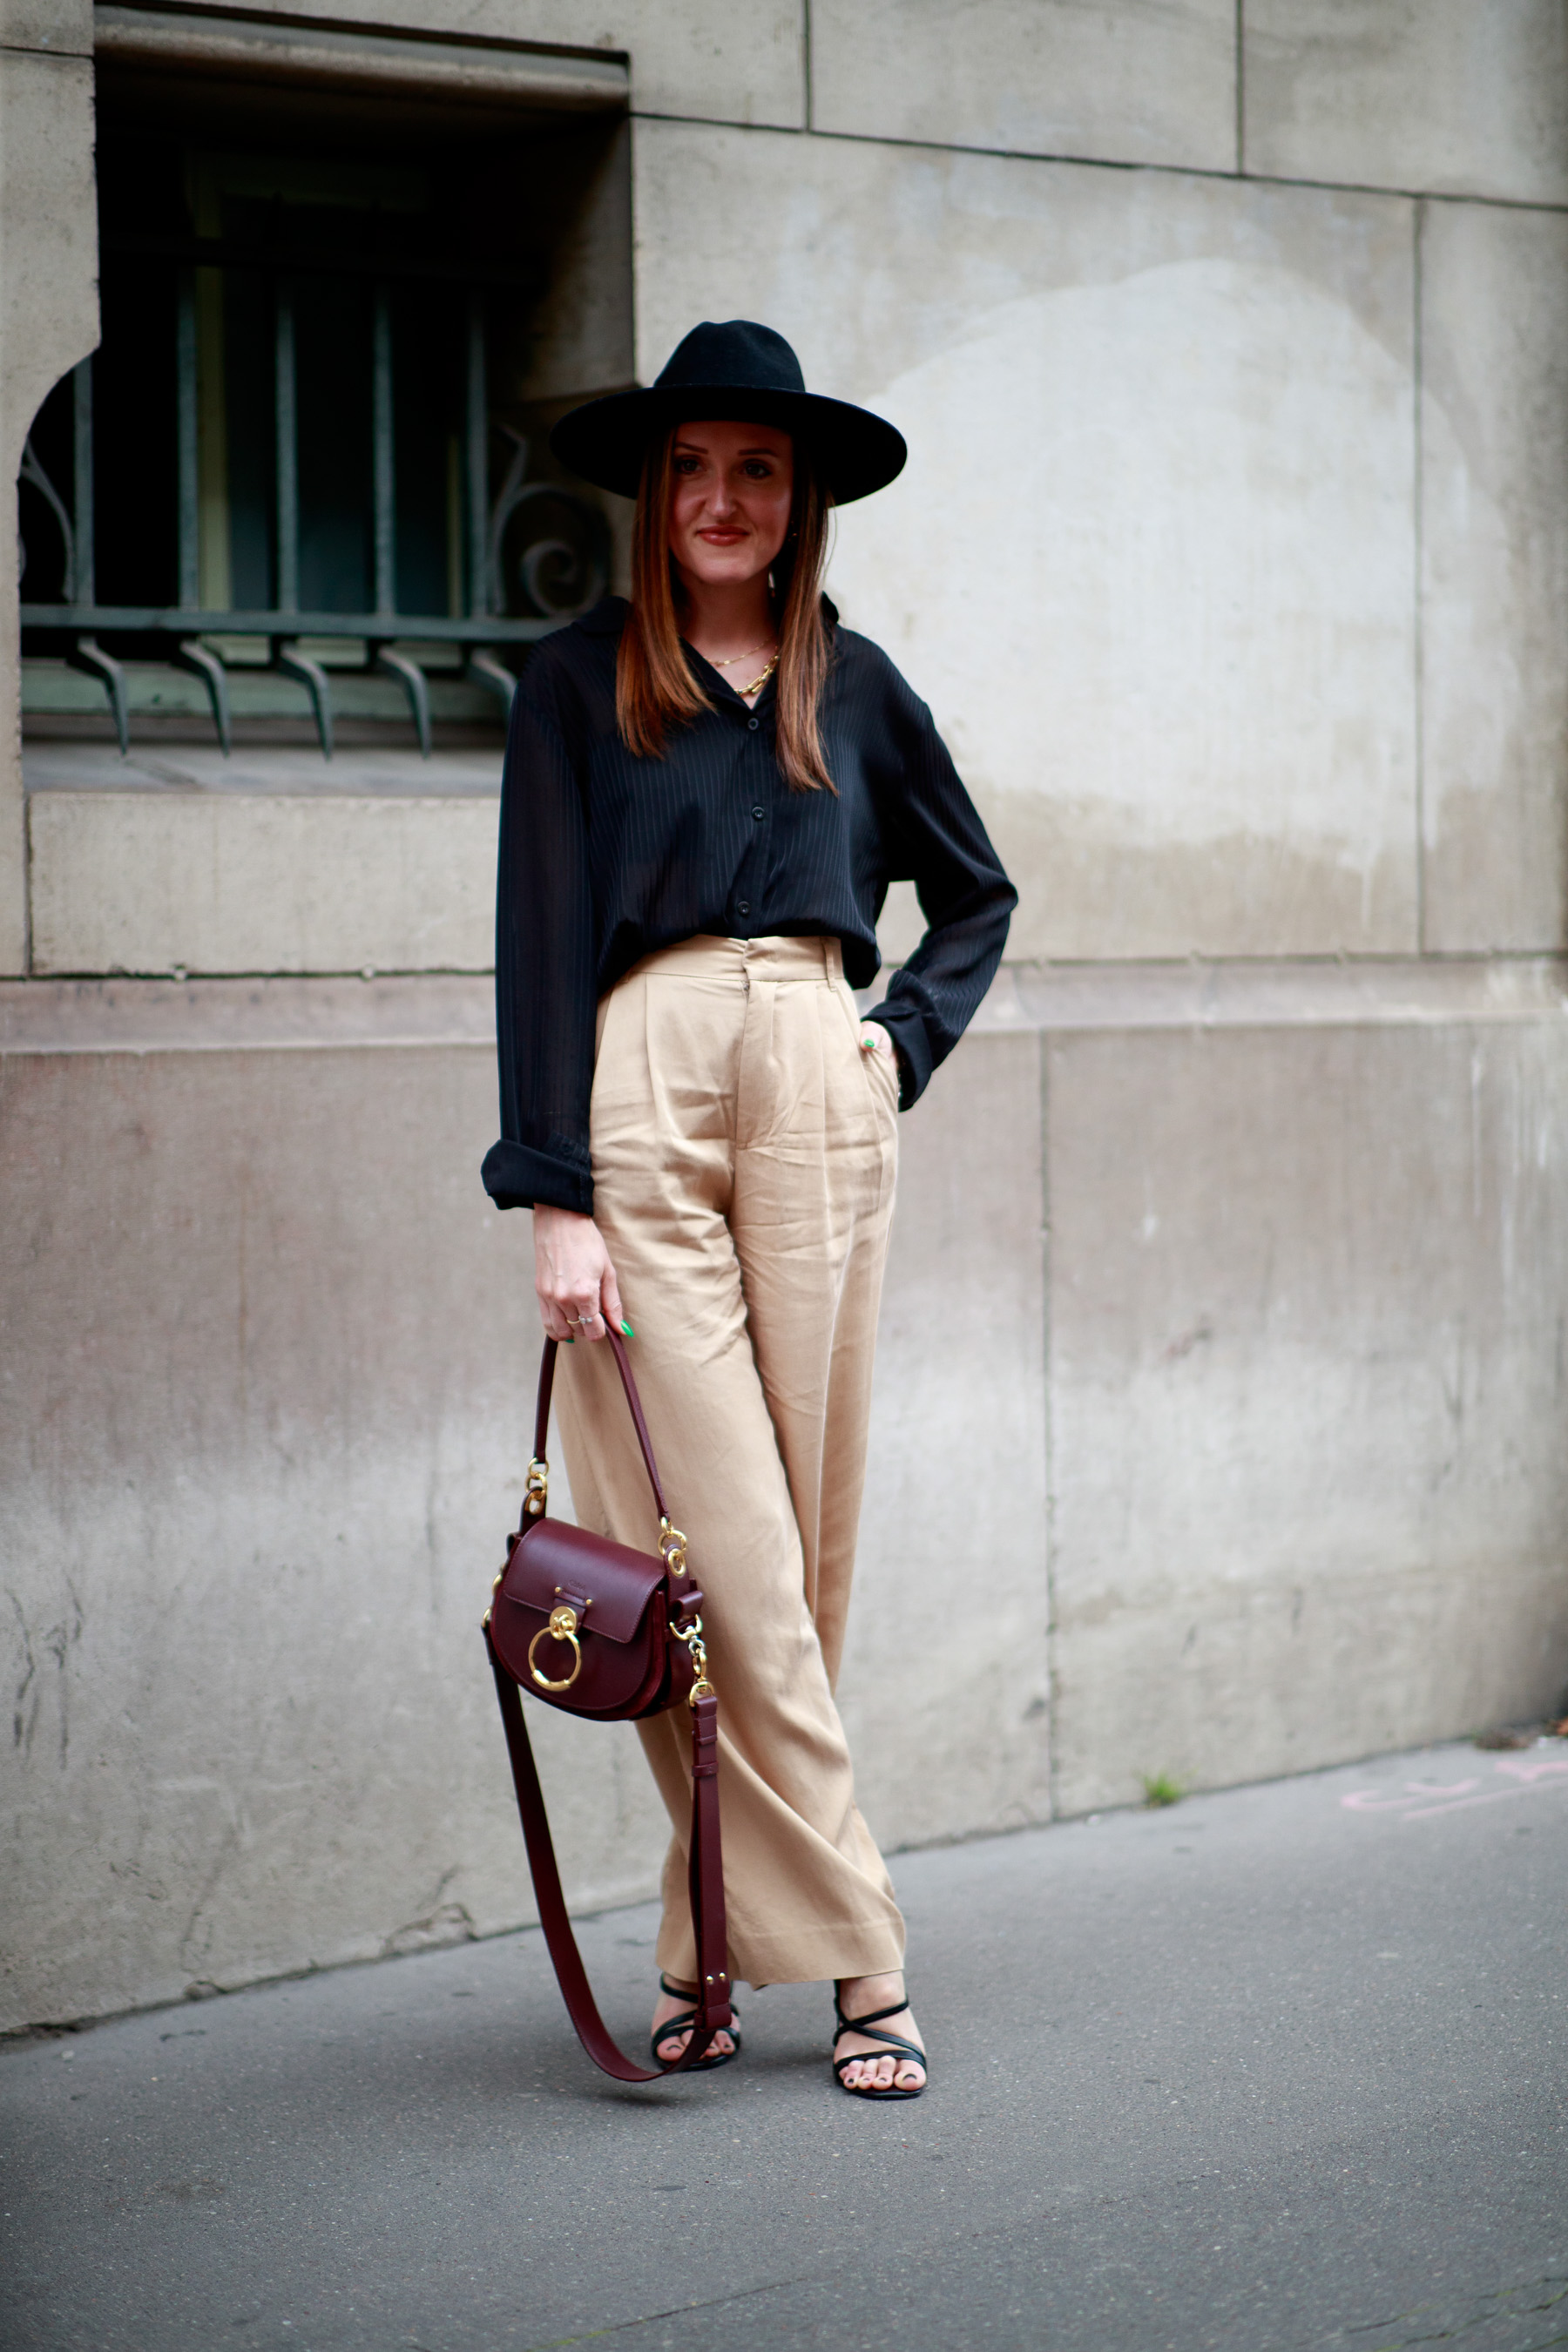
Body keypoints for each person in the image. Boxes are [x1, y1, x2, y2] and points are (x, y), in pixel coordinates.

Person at [482, 320, 1016, 2100]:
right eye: (692, 467)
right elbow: (540, 947)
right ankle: (863, 1958)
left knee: (808, 1551)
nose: (720, 499)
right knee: (717, 1557)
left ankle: (712, 1941)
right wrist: (554, 1195)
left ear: (798, 507)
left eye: (757, 472)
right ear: (657, 491)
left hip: (816, 1088)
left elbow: (979, 896)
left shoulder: (851, 689)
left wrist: (891, 1049)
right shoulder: (578, 680)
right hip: (634, 1098)